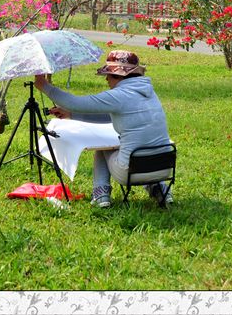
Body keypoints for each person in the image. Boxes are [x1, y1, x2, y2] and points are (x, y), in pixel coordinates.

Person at [34, 50, 174, 208]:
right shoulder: (148, 92)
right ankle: (159, 188)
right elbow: (111, 115)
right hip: (165, 167)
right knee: (144, 147)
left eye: (109, 74)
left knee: (103, 147)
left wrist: (45, 86)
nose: (106, 79)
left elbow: (75, 102)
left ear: (119, 76)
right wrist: (71, 115)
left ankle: (101, 196)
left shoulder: (119, 95)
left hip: (132, 171)